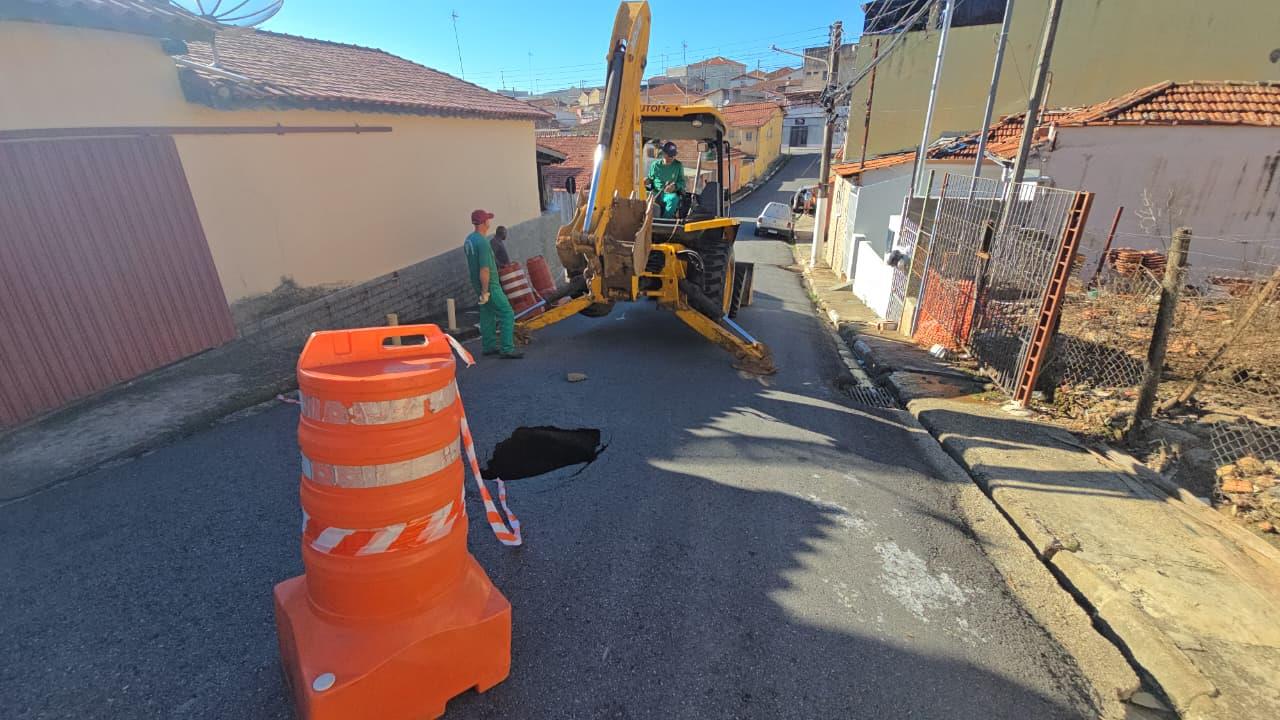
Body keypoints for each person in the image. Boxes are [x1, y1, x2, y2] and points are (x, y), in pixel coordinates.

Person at [463, 209, 522, 359]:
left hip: (477, 283)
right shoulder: (483, 242)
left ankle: (488, 346)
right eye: (488, 219)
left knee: (487, 313)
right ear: (484, 222)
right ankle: (507, 348)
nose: (489, 222)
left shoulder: (469, 240)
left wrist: (481, 291)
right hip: (489, 285)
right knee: (507, 313)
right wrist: (485, 291)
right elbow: (484, 268)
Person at [647, 141, 685, 218]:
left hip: (668, 194)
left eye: (673, 155)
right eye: (670, 155)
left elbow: (682, 182)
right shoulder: (655, 165)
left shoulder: (678, 165)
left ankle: (664, 220)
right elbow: (650, 179)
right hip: (655, 192)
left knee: (673, 199)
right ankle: (645, 218)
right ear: (663, 154)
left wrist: (675, 186)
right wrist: (644, 181)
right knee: (642, 195)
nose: (672, 158)